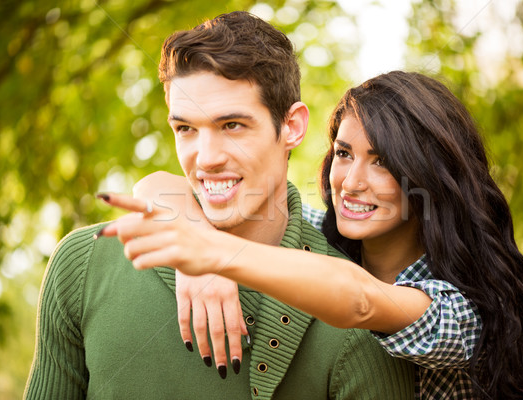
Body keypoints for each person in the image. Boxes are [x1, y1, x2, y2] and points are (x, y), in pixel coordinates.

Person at [24, 11, 415, 400]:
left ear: (292, 127)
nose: (206, 158)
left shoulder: (364, 323)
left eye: (232, 126)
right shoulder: (85, 263)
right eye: (186, 129)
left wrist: (212, 254)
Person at [127, 71, 523, 399]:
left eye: (381, 161)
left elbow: (360, 300)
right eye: (344, 153)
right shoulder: (322, 239)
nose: (352, 181)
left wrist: (213, 255)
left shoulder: (460, 310)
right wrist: (195, 256)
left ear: (430, 177)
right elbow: (160, 185)